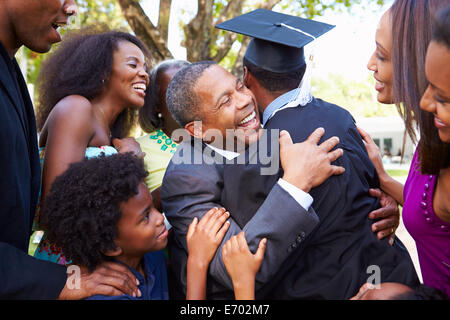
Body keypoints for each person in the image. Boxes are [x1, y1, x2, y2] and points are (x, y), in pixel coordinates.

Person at [210, 8, 419, 299]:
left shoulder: (251, 158)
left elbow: (249, 259)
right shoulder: (343, 120)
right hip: (393, 282)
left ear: (247, 76)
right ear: (302, 70)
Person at [161, 60, 408, 299]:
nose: (245, 100)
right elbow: (235, 267)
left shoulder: (268, 122)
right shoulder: (187, 180)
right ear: (199, 130)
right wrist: (295, 183)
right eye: (225, 101)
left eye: (240, 86)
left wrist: (380, 201)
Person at [0, 0, 139, 299]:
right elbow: (57, 210)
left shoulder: (11, 74)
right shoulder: (75, 110)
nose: (73, 8)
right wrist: (56, 280)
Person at [44, 152, 234, 300]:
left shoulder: (150, 256)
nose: (159, 218)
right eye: (145, 217)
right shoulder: (108, 293)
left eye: (153, 207)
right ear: (111, 246)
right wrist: (197, 262)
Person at [33, 27, 150, 265]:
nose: (144, 74)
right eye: (133, 65)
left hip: (98, 261)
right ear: (103, 71)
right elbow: (56, 210)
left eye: (146, 69)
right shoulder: (76, 109)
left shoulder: (112, 133)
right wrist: (128, 163)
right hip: (67, 267)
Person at [360, 1, 449, 297]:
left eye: (382, 56)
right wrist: (385, 181)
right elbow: (433, 208)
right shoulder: (434, 136)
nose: (371, 64)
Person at [137, 60, 190, 194]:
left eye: (191, 87)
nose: (186, 97)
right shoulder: (138, 149)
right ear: (156, 105)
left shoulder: (224, 139)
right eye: (172, 92)